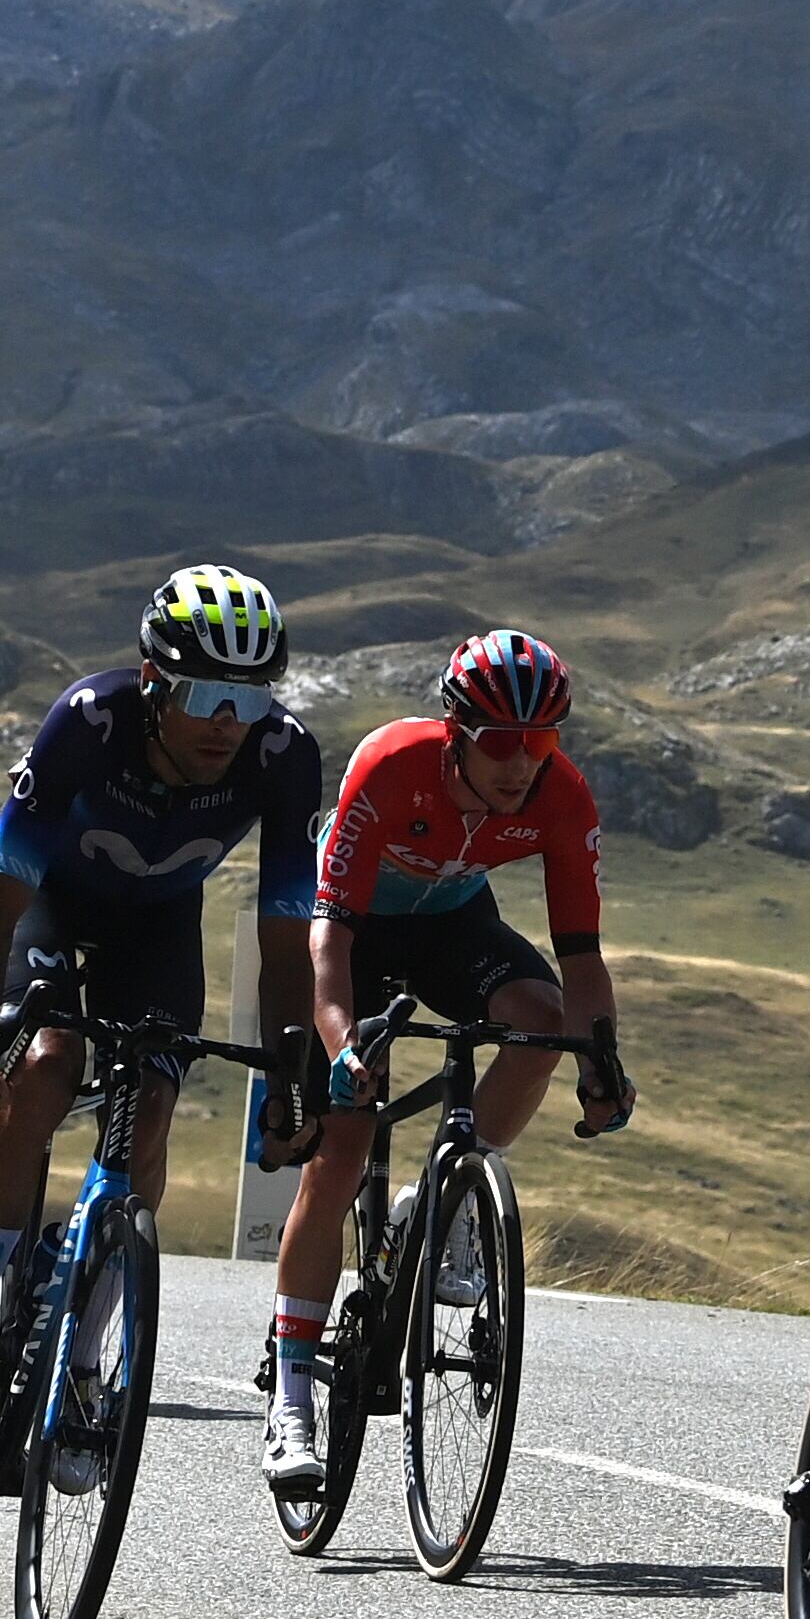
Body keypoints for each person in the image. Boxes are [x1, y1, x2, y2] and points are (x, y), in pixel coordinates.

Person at [0, 565, 323, 1484]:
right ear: (151, 680)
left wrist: (294, 1076)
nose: (227, 723)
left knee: (154, 1099)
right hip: (48, 907)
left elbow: (289, 947)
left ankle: (83, 1363)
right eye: (207, 695)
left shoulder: (283, 756)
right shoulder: (87, 725)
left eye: (248, 699)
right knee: (46, 1067)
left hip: (155, 926)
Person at [259, 629, 638, 1488]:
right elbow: (329, 941)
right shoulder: (392, 767)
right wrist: (340, 1043)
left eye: (538, 744)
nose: (519, 765)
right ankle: (290, 1397)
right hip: (359, 934)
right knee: (342, 1149)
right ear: (455, 731)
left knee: (540, 1019)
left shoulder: (562, 797)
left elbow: (580, 958)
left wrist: (600, 1061)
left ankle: (446, 1195)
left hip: (453, 926)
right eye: (500, 744)